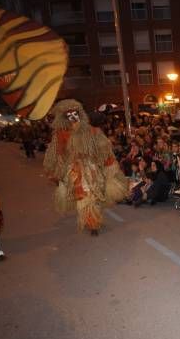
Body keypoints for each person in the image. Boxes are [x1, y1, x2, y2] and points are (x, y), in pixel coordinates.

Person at [43, 99, 127, 236]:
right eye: (69, 115)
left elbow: (104, 149)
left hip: (93, 169)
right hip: (76, 172)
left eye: (75, 114)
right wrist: (56, 172)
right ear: (64, 117)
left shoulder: (92, 131)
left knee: (96, 196)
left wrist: (111, 166)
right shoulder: (61, 134)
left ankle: (93, 217)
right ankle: (92, 222)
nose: (73, 117)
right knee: (84, 196)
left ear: (80, 114)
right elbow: (57, 154)